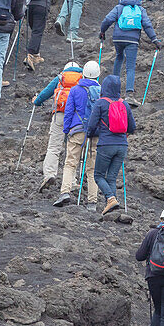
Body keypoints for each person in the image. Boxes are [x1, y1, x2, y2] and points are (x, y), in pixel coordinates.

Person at [99, 0, 160, 106]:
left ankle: (113, 91)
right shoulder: (140, 9)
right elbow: (147, 25)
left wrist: (102, 31)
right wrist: (154, 40)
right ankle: (129, 95)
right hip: (132, 40)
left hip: (118, 39)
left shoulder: (119, 7)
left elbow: (107, 20)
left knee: (119, 57)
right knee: (130, 67)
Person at [85, 74, 136, 216]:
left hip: (106, 144)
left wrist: (91, 134)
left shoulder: (100, 103)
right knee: (111, 177)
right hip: (122, 146)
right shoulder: (125, 104)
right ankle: (112, 209)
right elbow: (132, 127)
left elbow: (91, 125)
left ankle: (110, 198)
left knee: (98, 176)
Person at [54, 60, 101, 208]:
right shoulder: (102, 91)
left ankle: (65, 192)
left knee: (70, 163)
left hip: (77, 130)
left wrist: (66, 130)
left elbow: (68, 112)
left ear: (84, 74)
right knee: (92, 168)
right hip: (95, 133)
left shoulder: (75, 90)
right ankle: (92, 202)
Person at [32, 62, 83, 191]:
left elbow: (45, 93)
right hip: (76, 118)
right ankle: (71, 181)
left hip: (59, 115)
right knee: (73, 149)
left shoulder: (60, 78)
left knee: (54, 146)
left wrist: (36, 101)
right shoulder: (83, 78)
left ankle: (49, 174)